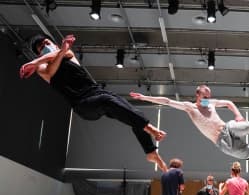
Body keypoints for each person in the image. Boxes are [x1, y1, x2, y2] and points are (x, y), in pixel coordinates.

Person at [20, 34, 167, 171]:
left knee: (131, 111)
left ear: (54, 44)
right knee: (107, 101)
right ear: (40, 54)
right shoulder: (41, 67)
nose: (45, 46)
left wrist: (55, 52)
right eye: (41, 48)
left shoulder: (67, 54)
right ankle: (150, 129)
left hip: (97, 92)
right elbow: (50, 71)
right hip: (83, 104)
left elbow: (57, 55)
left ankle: (150, 152)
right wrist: (36, 62)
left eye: (47, 43)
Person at [129, 85, 249, 174]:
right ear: (198, 94)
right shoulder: (190, 107)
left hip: (229, 128)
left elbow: (228, 103)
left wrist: (238, 115)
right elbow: (166, 101)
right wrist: (145, 97)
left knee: (247, 125)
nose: (207, 99)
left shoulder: (208, 104)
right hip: (223, 142)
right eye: (205, 96)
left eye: (209, 96)